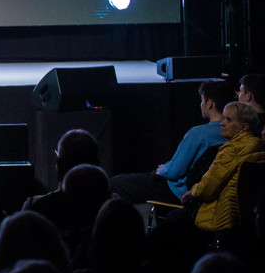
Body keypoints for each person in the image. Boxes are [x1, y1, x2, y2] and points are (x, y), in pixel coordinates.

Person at [110, 80, 230, 205]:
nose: (201, 105)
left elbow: (174, 172)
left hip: (178, 191)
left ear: (209, 103)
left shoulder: (198, 134)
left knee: (115, 183)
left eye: (202, 100)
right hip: (206, 193)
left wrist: (163, 169)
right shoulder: (235, 134)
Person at [180, 100, 265, 231]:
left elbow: (207, 189)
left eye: (228, 119)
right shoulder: (259, 146)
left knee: (175, 218)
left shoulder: (233, 149)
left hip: (220, 219)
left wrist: (192, 192)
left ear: (244, 127)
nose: (222, 123)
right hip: (246, 222)